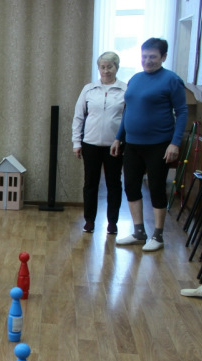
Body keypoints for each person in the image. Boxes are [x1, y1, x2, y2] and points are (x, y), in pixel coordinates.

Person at [110, 38, 188, 251]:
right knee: (131, 186)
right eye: (144, 56)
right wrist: (119, 137)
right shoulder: (135, 79)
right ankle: (139, 232)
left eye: (153, 57)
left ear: (163, 57)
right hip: (132, 144)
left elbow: (181, 112)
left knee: (155, 187)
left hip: (159, 144)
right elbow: (128, 111)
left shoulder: (172, 80)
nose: (147, 60)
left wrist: (175, 143)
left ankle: (158, 236)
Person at [72, 51, 127, 234]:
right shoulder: (89, 89)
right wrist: (76, 143)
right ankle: (89, 220)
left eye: (110, 67)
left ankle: (112, 222)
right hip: (90, 144)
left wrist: (122, 140)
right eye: (102, 67)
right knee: (90, 183)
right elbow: (78, 117)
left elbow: (128, 118)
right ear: (98, 68)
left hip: (114, 145)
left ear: (116, 68)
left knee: (114, 184)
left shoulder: (125, 90)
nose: (106, 71)